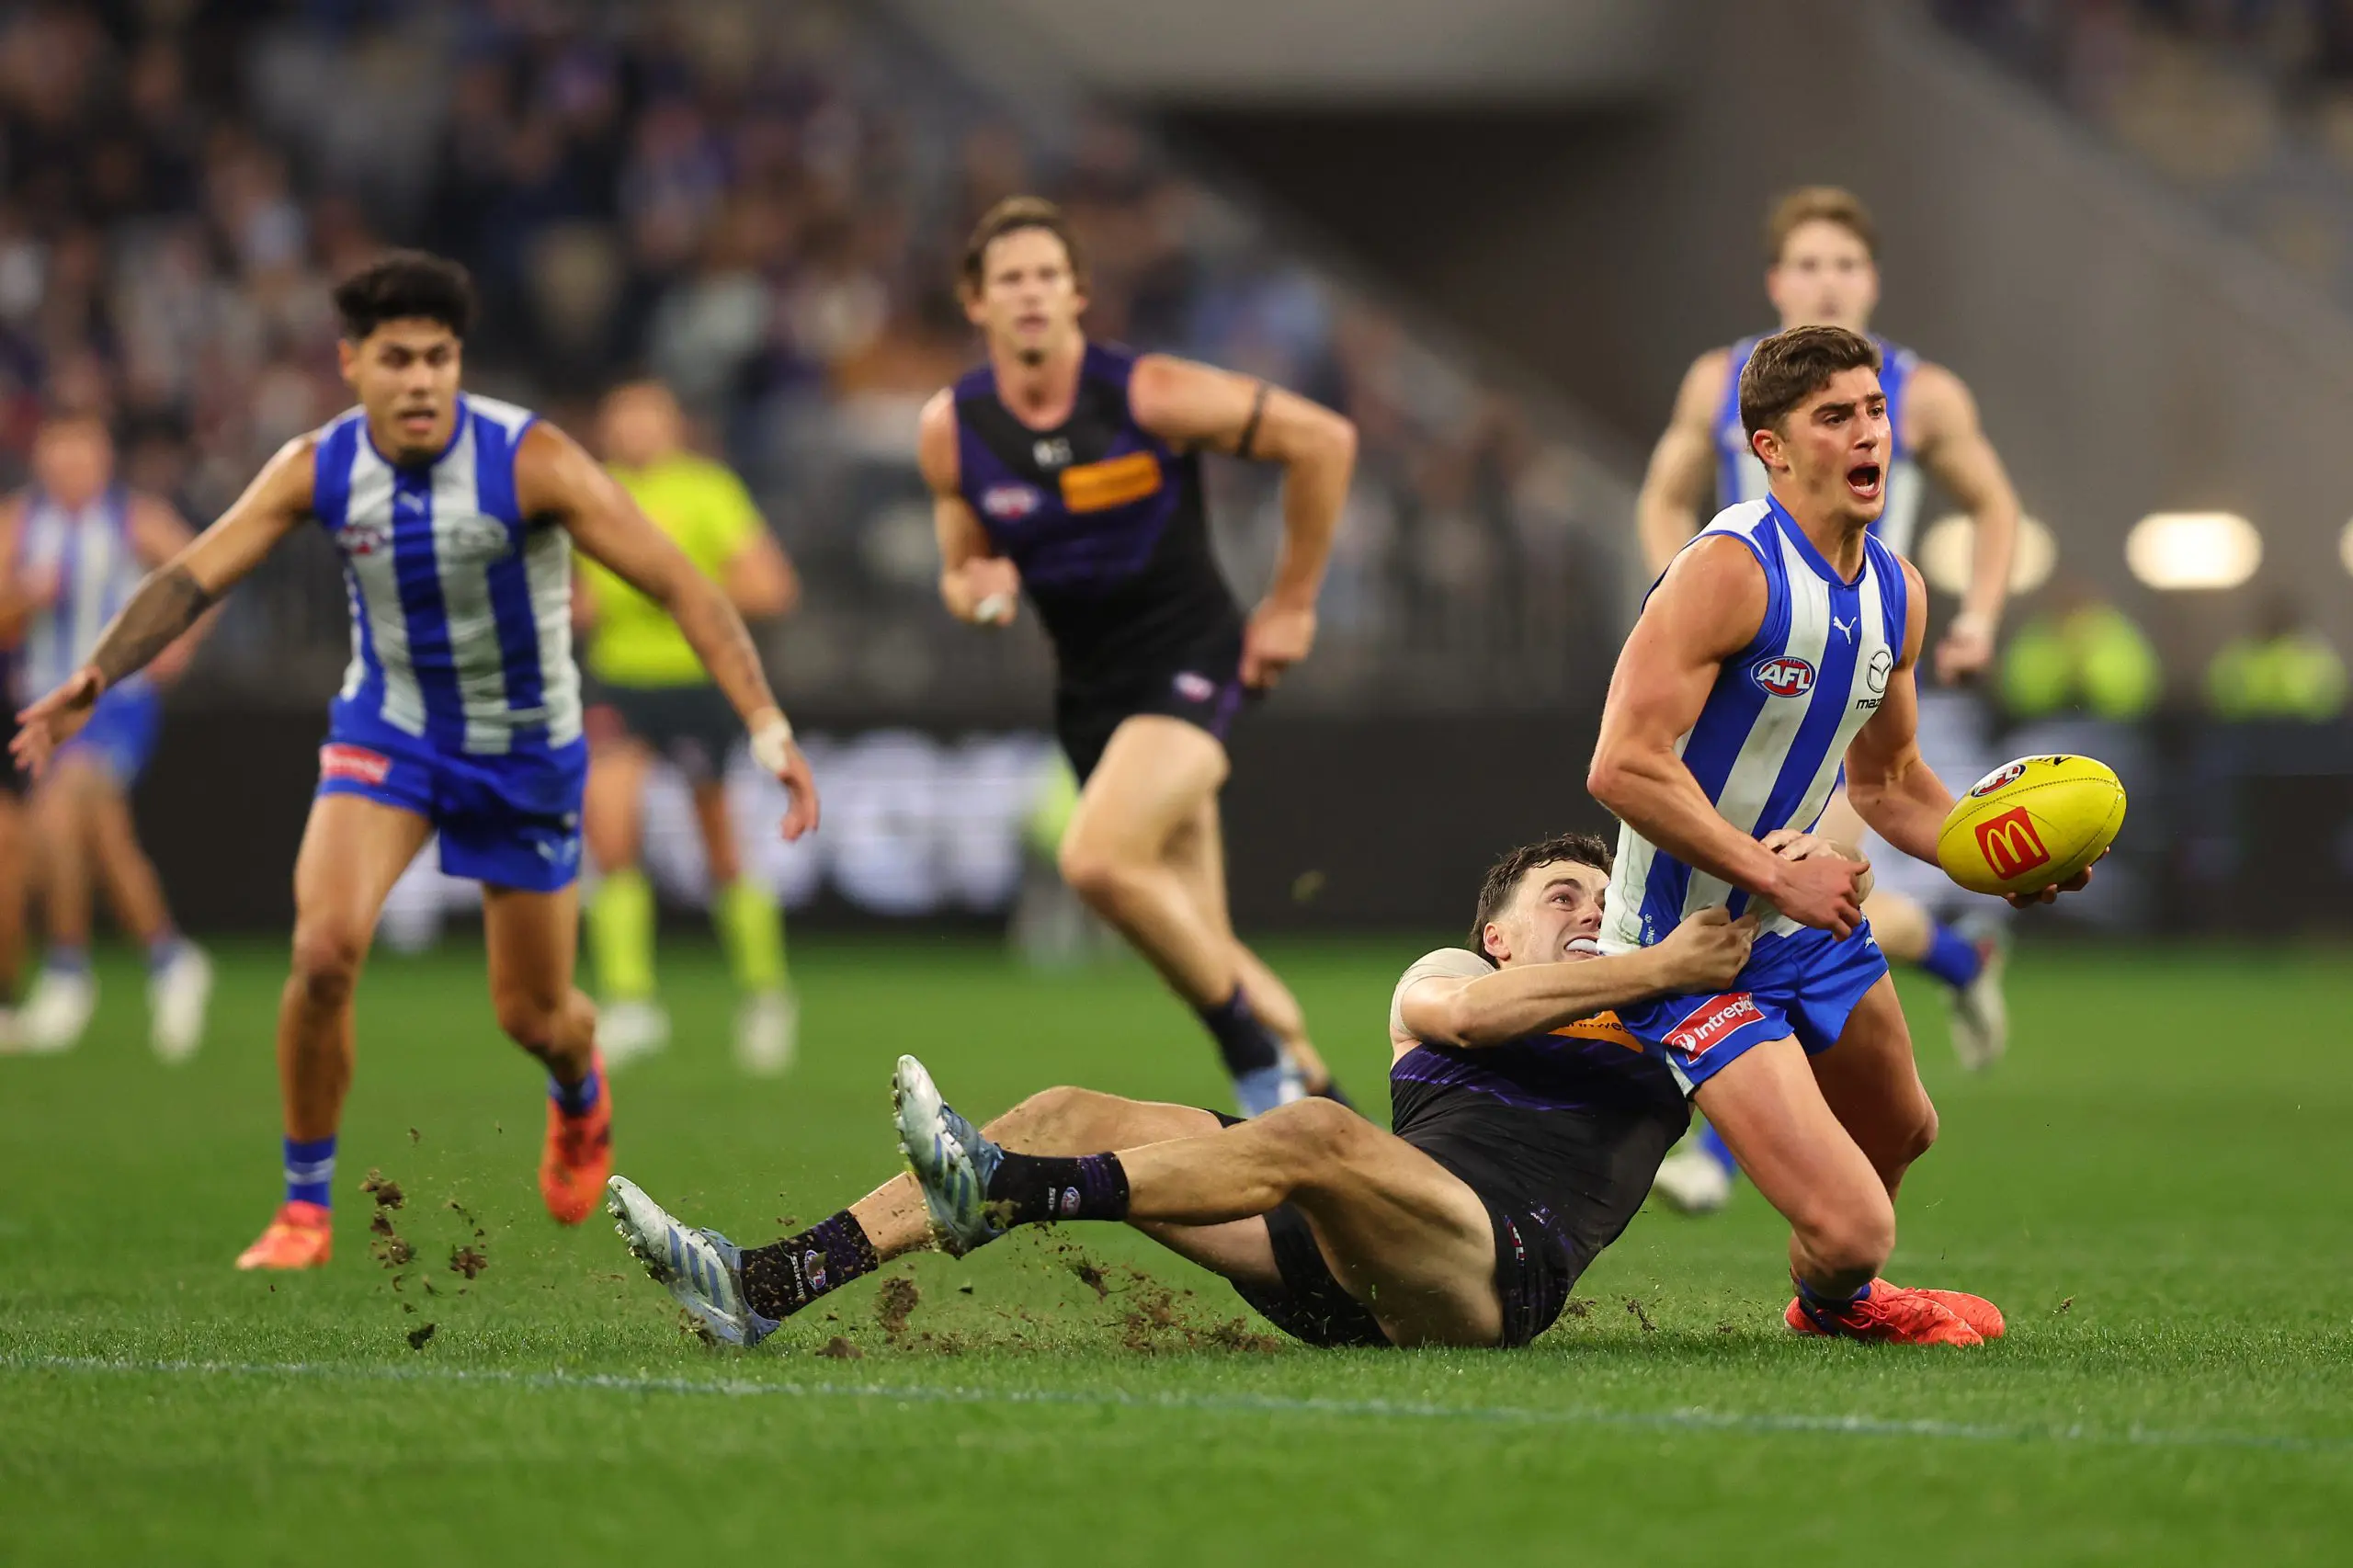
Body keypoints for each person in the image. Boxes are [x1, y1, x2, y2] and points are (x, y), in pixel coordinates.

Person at [13, 253, 820, 1269]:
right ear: (351, 364)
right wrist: (94, 676)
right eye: (397, 358)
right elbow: (191, 573)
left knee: (532, 1013)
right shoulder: (317, 464)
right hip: (387, 733)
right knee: (321, 952)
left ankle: (578, 1086)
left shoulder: (533, 458)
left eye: (439, 356)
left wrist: (766, 724)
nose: (423, 379)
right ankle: (305, 1207)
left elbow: (685, 585)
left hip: (523, 749)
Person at [605, 831, 1789, 1349]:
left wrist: (1676, 970)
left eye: (1600, 897)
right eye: (1561, 899)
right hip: (1347, 1247)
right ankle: (766, 1280)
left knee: (1314, 1129)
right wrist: (1660, 956)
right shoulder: (1450, 974)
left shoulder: (1671, 1018)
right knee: (1072, 1100)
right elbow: (1470, 1016)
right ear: (1496, 930)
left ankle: (1006, 1188)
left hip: (1485, 1274)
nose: (1587, 912)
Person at [1590, 324, 2089, 1343]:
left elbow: (1892, 781)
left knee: (1906, 1127)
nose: (1869, 434)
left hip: (1799, 921)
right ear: (1771, 449)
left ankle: (1831, 1300)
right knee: (1856, 1224)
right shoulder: (1728, 570)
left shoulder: (1897, 590)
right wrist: (1768, 878)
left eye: (1873, 411)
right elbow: (1622, 765)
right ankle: (1843, 1286)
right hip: (1685, 953)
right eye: (1834, 417)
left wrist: (1994, 859)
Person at [917, 196, 1358, 1115]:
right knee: (1199, 941)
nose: (1031, 294)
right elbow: (962, 565)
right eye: (1011, 279)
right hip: (1090, 693)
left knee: (1097, 862)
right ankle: (1324, 1104)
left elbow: (1323, 440)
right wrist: (979, 591)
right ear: (976, 302)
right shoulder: (952, 429)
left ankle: (1256, 1069)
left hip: (1192, 661)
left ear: (1078, 294)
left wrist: (1291, 603)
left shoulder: (1145, 392)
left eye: (1048, 275)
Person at [1636, 188, 2027, 1210]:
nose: (1826, 282)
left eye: (1843, 265)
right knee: (1806, 890)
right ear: (1776, 282)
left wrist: (2002, 854)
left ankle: (1741, 1159)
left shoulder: (1904, 556)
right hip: (1744, 685)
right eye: (1807, 265)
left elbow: (1893, 779)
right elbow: (1661, 492)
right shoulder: (1722, 448)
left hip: (1842, 679)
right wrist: (1669, 600)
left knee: (1897, 1103)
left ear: (1871, 280)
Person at [577, 381, 802, 1074]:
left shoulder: (707, 490)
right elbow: (578, 600)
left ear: (675, 425)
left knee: (719, 848)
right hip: (619, 684)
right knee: (608, 831)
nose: (636, 429)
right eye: (623, 416)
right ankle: (629, 1002)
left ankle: (766, 995)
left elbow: (772, 587)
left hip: (699, 682)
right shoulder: (590, 493)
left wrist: (677, 588)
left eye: (649, 416)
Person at [0, 415, 213, 1060]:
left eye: (82, 452)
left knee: (60, 815)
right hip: (38, 707)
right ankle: (172, 960)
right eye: (59, 452)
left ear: (101, 457)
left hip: (114, 702)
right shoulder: (17, 524)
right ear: (42, 458)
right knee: (108, 841)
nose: (71, 465)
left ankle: (68, 972)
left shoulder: (132, 518)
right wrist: (24, 601)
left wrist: (183, 642)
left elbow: (209, 575)